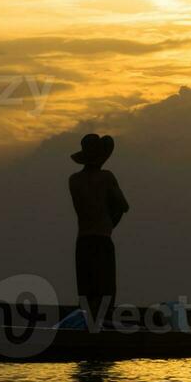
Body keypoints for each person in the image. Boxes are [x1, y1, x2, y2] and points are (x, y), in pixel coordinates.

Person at [68, 133, 129, 318]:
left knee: (86, 292)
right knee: (105, 292)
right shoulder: (106, 177)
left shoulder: (74, 180)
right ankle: (101, 330)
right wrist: (110, 223)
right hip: (102, 240)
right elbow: (124, 206)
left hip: (83, 240)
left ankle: (89, 329)